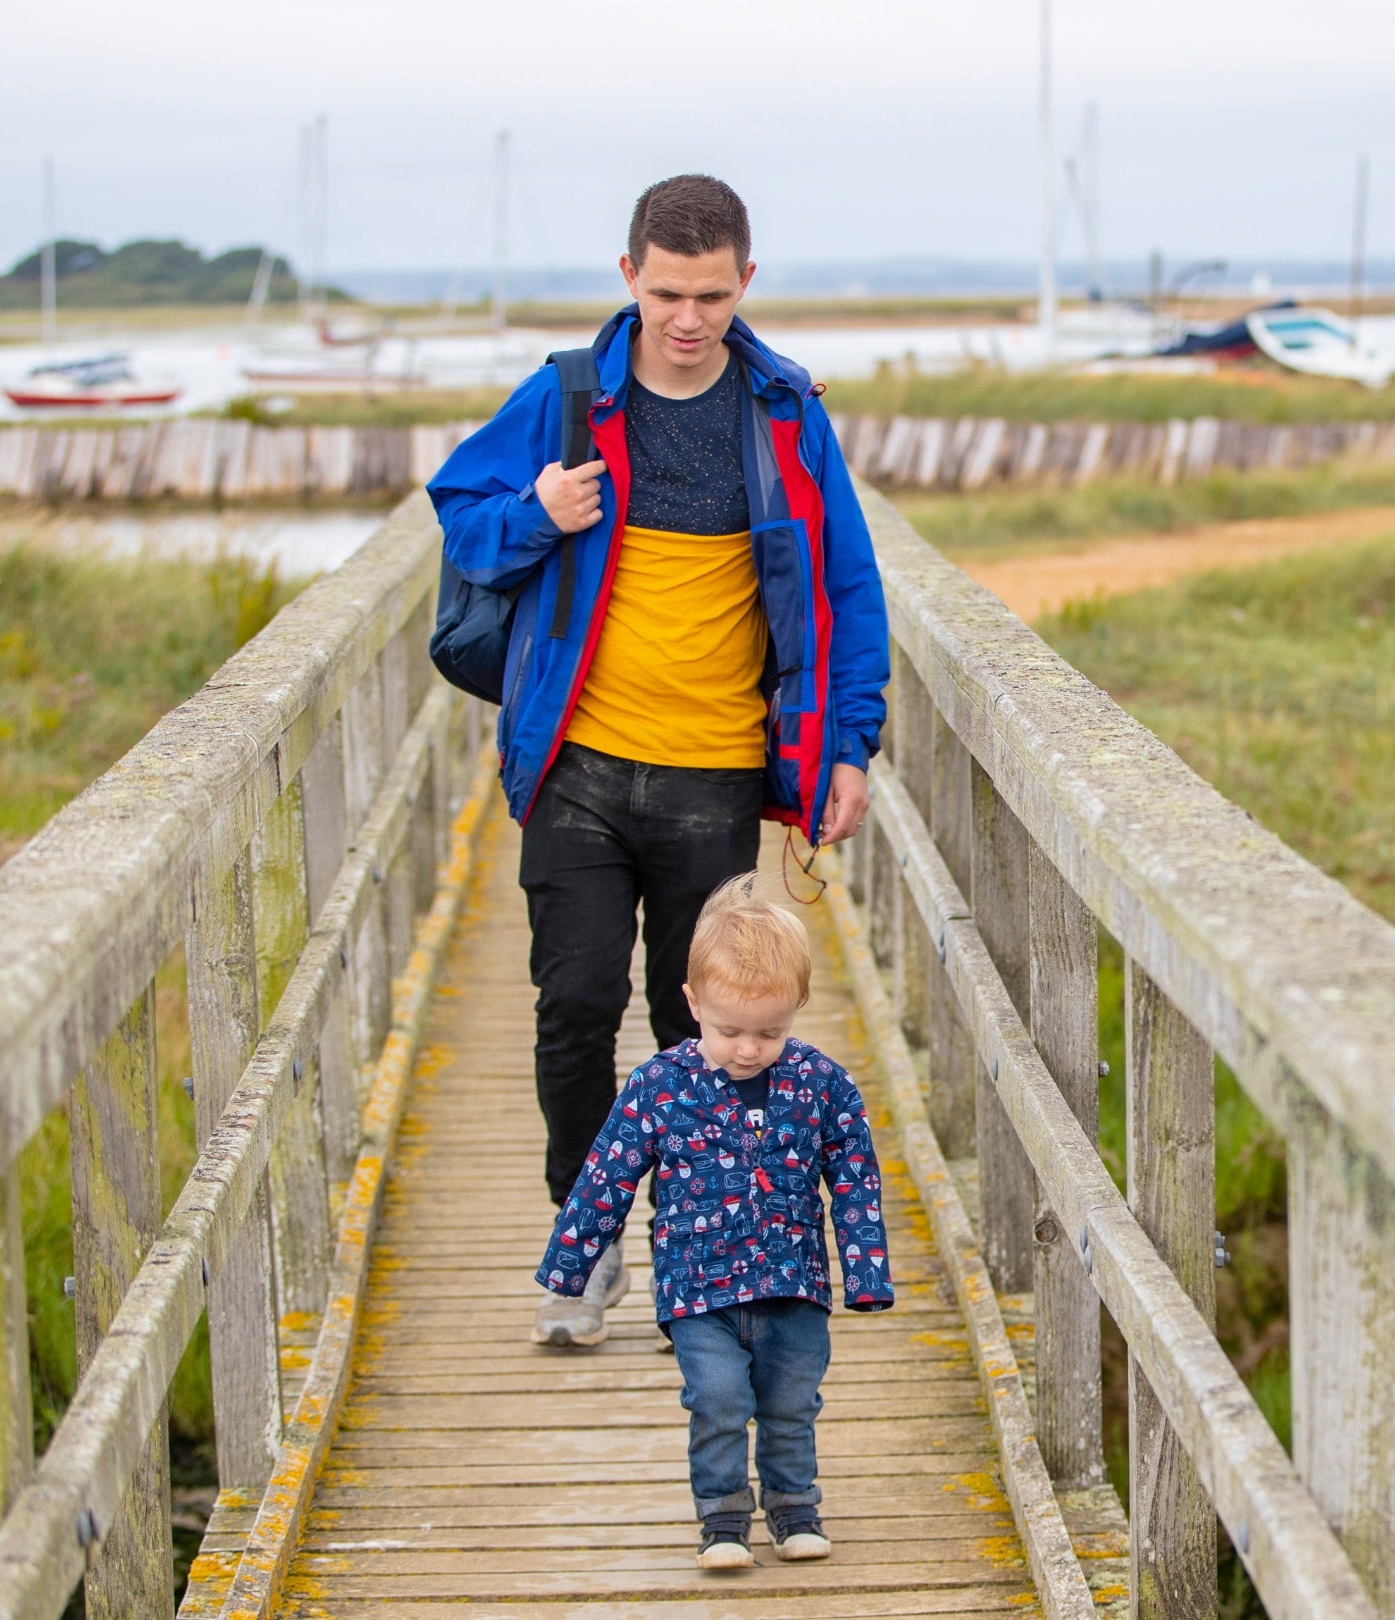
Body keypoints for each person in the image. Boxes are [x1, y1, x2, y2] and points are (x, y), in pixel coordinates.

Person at [429, 175, 889, 1349]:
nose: (689, 319)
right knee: (573, 1004)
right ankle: (582, 1256)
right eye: (669, 292)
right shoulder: (567, 400)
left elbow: (845, 584)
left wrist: (848, 744)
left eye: (714, 295)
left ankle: (700, 1254)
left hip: (715, 773)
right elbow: (462, 519)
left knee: (693, 1037)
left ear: (747, 283)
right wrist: (539, 509)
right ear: (628, 276)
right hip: (577, 763)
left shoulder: (785, 412)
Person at [534, 877, 892, 1569]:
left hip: (793, 1282)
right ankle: (724, 1520)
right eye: (728, 1030)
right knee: (719, 1400)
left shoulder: (823, 1084)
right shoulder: (659, 1086)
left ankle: (795, 1510)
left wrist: (866, 1272)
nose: (749, 1048)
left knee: (792, 1402)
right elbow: (606, 1174)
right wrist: (570, 1269)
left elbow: (854, 1178)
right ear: (692, 1003)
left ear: (799, 1008)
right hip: (698, 1285)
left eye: (770, 1031)